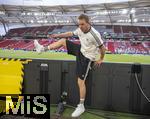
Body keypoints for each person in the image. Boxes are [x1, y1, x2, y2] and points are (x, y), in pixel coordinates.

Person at [34, 14, 106, 117]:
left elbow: (102, 48)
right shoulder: (80, 29)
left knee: (80, 82)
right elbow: (71, 33)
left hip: (87, 58)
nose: (80, 26)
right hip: (81, 50)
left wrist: (101, 59)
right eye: (79, 24)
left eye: (82, 24)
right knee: (63, 41)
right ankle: (42, 49)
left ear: (88, 23)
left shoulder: (95, 34)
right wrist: (58, 35)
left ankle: (81, 106)